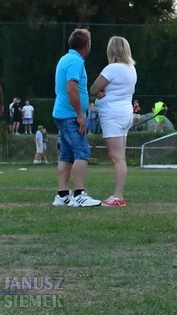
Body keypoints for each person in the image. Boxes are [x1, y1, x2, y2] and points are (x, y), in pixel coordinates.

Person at [51, 29, 102, 209]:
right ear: (86, 45)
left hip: (62, 113)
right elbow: (71, 89)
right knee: (82, 151)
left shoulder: (66, 59)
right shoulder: (75, 62)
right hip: (70, 115)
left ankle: (63, 194)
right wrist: (81, 115)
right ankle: (80, 194)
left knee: (66, 155)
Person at [89, 35, 138, 206]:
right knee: (119, 156)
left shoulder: (111, 69)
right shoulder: (131, 68)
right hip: (125, 113)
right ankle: (118, 194)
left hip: (112, 114)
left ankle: (118, 196)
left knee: (117, 157)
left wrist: (99, 92)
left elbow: (94, 88)